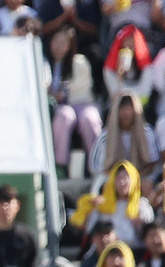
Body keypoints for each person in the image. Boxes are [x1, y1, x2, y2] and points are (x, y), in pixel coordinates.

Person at [46, 25, 103, 179]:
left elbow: (81, 86)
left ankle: (96, 164)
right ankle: (60, 165)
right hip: (62, 107)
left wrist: (61, 93)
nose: (58, 46)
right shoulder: (44, 62)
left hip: (83, 102)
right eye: (55, 41)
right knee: (64, 117)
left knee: (89, 119)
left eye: (63, 42)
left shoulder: (79, 62)